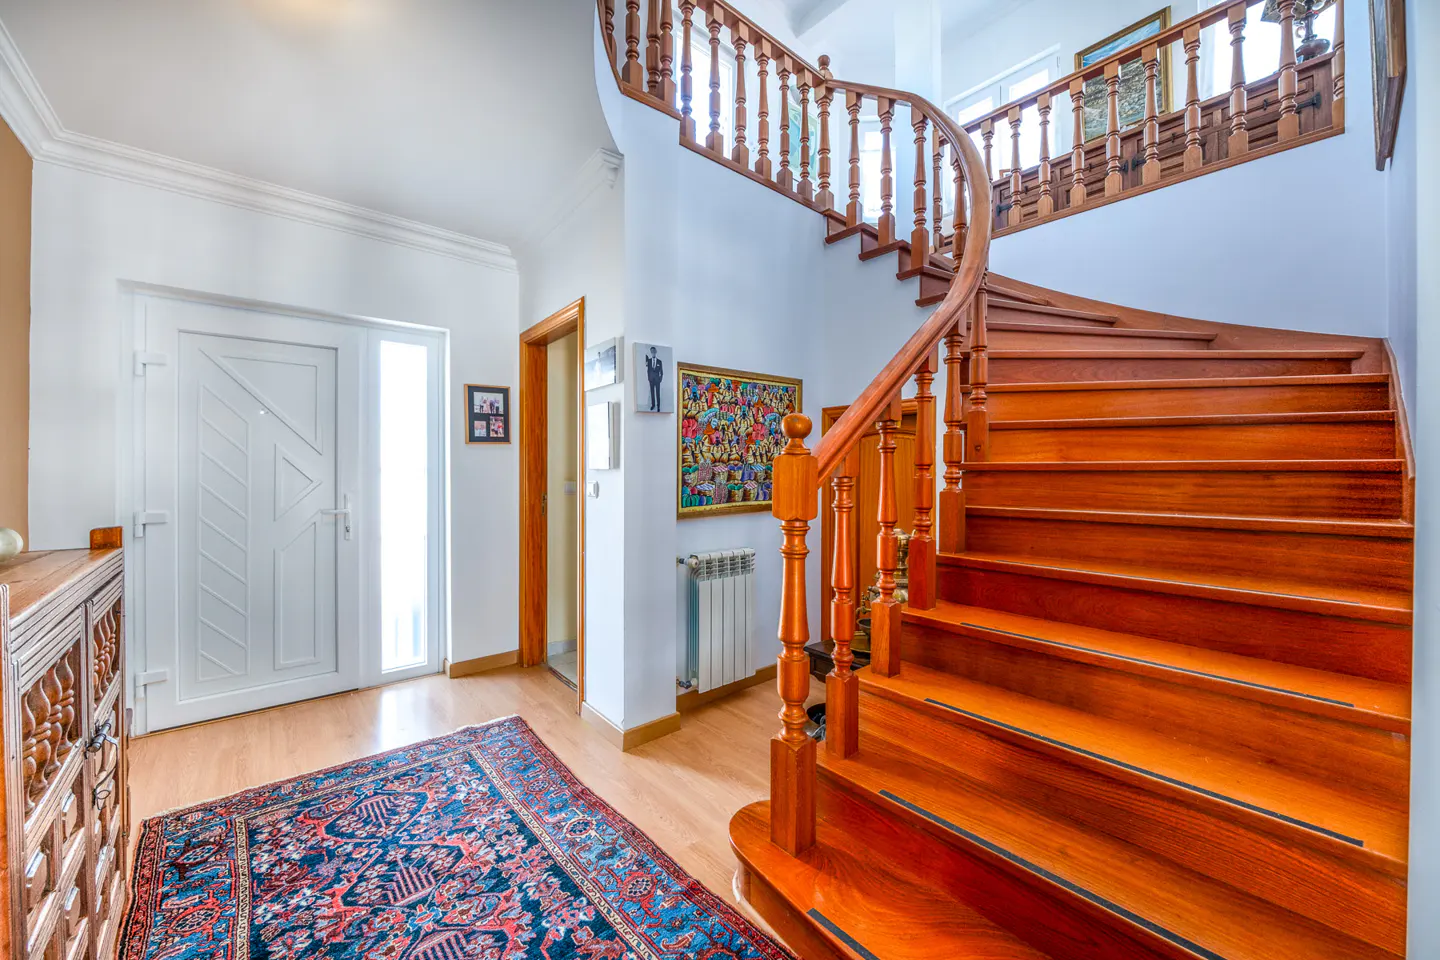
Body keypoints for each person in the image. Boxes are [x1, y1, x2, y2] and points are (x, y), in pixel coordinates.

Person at [645, 346, 665, 412]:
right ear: (651, 352)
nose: (653, 353)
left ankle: (658, 406)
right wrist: (648, 378)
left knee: (657, 393)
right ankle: (653, 405)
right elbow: (648, 370)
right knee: (652, 393)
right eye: (651, 352)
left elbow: (661, 372)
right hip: (651, 379)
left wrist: (660, 379)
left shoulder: (659, 361)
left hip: (657, 380)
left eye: (654, 352)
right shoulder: (649, 361)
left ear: (655, 352)